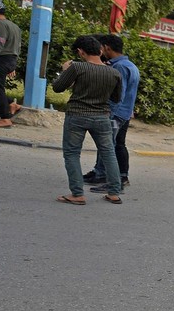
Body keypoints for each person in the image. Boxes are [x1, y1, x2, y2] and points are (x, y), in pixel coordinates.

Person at [51, 35, 123, 205]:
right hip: (102, 117)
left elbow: (58, 87)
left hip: (77, 115)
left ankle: (77, 194)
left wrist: (65, 70)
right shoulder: (114, 73)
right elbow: (116, 98)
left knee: (72, 153)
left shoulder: (77, 68)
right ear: (100, 50)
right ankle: (114, 192)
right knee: (108, 152)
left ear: (80, 52)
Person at [82, 34, 140, 192]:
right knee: (115, 144)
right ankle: (104, 173)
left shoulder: (120, 67)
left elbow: (118, 94)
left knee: (109, 146)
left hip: (116, 113)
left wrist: (108, 113)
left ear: (107, 47)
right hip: (124, 113)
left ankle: (114, 180)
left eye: (101, 48)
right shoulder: (129, 65)